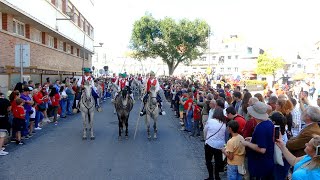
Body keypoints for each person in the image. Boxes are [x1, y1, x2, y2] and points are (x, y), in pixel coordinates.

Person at [240, 101, 274, 179]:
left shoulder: (260, 128)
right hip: (267, 162)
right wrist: (252, 138)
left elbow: (262, 149)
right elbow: (267, 139)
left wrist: (247, 143)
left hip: (260, 165)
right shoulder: (269, 123)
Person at [204, 107, 226, 180]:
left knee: (208, 160)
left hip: (210, 143)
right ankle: (217, 176)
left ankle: (211, 176)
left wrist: (206, 138)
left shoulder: (211, 121)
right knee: (218, 161)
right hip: (220, 145)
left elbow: (205, 130)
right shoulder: (224, 123)